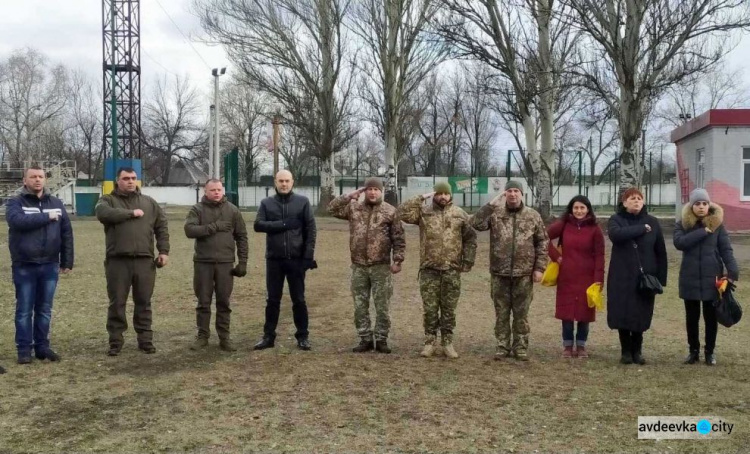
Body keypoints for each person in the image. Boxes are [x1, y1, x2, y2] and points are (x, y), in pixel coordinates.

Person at [95, 167, 170, 356]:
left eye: (134, 178)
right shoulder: (108, 201)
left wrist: (163, 251)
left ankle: (145, 340)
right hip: (118, 261)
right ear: (117, 181)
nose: (130, 181)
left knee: (144, 302)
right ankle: (115, 341)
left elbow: (161, 227)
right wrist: (130, 213)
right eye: (126, 178)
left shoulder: (149, 203)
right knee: (117, 302)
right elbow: (103, 214)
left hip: (145, 261)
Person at [399, 182, 476, 359]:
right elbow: (402, 212)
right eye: (439, 193)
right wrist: (421, 197)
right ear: (434, 195)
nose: (443, 197)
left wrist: (468, 261)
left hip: (451, 270)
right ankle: (429, 342)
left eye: (446, 194)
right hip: (429, 270)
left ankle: (447, 342)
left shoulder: (459, 214)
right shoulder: (424, 212)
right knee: (430, 309)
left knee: (449, 309)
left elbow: (470, 239)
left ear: (450, 195)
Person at [472, 180, 548, 361]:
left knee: (521, 314)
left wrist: (539, 268)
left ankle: (520, 347)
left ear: (522, 194)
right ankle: (502, 345)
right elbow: (475, 223)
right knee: (502, 313)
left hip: (524, 274)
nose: (513, 194)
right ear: (504, 194)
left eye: (516, 191)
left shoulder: (533, 215)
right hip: (500, 273)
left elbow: (542, 242)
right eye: (509, 191)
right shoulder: (495, 214)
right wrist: (490, 205)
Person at [328, 177, 405, 354]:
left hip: (381, 267)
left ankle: (381, 339)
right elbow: (332, 208)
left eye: (376, 189)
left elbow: (399, 238)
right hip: (359, 266)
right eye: (369, 189)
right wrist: (348, 196)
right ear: (364, 191)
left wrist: (398, 260)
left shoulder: (390, 212)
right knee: (360, 305)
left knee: (382, 306)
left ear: (381, 191)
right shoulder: (354, 208)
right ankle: (365, 338)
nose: (372, 192)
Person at [6, 166, 74, 364]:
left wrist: (67, 260)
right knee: (24, 310)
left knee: (44, 309)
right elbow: (17, 222)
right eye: (33, 177)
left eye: (41, 176)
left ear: (45, 179)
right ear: (24, 181)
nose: (37, 180)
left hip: (50, 265)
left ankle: (42, 347)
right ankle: (24, 350)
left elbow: (66, 232)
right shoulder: (15, 202)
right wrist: (46, 217)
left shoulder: (56, 203)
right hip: (24, 265)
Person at [253, 169, 317, 351]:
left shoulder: (302, 202)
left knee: (299, 299)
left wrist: (308, 256)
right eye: (280, 181)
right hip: (274, 260)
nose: (284, 184)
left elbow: (310, 231)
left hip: (296, 260)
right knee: (272, 300)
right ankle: (268, 336)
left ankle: (303, 336)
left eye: (287, 181)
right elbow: (258, 225)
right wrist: (283, 225)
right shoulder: (266, 203)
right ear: (275, 182)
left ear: (292, 182)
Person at [674, 188, 738, 366]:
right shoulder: (683, 224)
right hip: (689, 277)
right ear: (691, 206)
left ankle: (710, 352)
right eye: (697, 204)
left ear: (709, 205)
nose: (701, 207)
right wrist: (702, 232)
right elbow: (680, 243)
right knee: (691, 317)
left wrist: (732, 272)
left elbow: (726, 249)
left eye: (704, 203)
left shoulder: (718, 225)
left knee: (711, 317)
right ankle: (693, 351)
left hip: (712, 279)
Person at [184, 179, 249, 352]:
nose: (216, 193)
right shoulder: (197, 209)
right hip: (203, 263)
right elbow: (189, 230)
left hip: (225, 264)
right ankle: (202, 336)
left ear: (223, 190)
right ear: (205, 191)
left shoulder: (233, 210)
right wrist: (214, 227)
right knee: (203, 302)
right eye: (212, 190)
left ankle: (224, 337)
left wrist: (242, 262)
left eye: (219, 189)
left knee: (223, 302)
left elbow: (242, 236)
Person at [607, 187, 667, 365]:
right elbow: (616, 235)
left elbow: (660, 251)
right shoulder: (616, 220)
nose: (636, 201)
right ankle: (625, 351)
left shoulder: (653, 222)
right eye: (632, 198)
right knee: (622, 312)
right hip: (621, 275)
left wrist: (660, 279)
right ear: (624, 202)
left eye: (639, 198)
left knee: (641, 313)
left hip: (645, 277)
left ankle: (637, 351)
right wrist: (641, 228)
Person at [547, 195, 604, 359]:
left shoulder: (595, 229)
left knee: (584, 313)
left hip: (588, 276)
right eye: (576, 208)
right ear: (571, 209)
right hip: (567, 276)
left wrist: (598, 279)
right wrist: (556, 257)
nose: (579, 211)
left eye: (582, 208)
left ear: (588, 210)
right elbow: (543, 237)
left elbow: (600, 256)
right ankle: (567, 345)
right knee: (567, 312)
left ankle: (581, 345)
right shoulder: (563, 225)